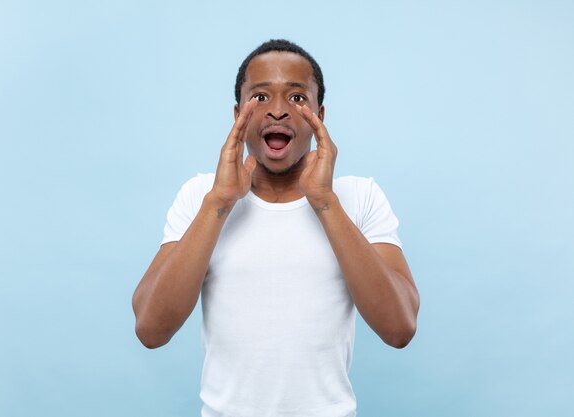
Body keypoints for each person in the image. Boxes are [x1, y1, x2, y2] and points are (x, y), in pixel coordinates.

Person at [132, 39, 420, 417]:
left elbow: (399, 328)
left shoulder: (359, 196)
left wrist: (324, 201)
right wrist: (220, 202)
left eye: (298, 98)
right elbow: (151, 329)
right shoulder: (200, 196)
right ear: (238, 114)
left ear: (320, 113)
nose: (279, 111)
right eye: (261, 97)